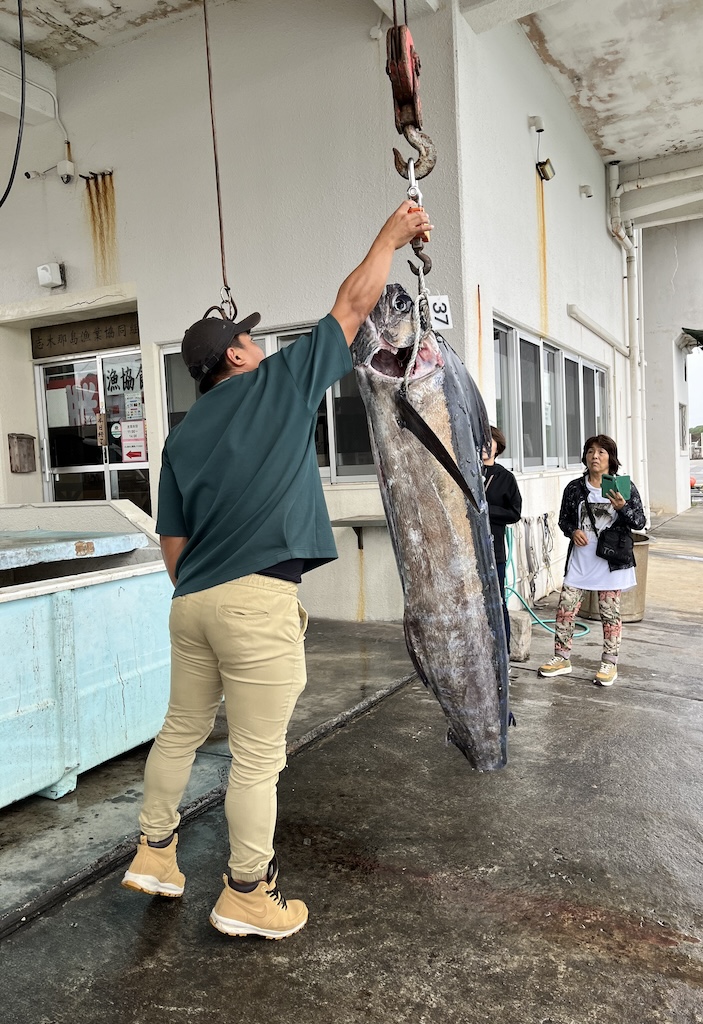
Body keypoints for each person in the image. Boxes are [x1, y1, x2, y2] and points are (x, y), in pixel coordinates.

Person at [121, 201, 433, 940]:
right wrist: (391, 233)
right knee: (258, 758)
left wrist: (203, 588)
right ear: (232, 356)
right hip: (255, 601)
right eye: (247, 339)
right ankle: (246, 894)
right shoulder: (274, 387)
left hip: (191, 602)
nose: (256, 345)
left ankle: (155, 852)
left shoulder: (184, 435)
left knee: (180, 733)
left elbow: (172, 538)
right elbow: (354, 304)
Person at [537, 434, 645, 686]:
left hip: (611, 561)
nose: (595, 456)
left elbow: (639, 522)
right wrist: (572, 531)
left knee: (610, 613)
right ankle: (561, 658)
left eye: (601, 452)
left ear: (611, 458)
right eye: (590, 451)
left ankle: (609, 663)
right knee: (565, 608)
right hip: (581, 559)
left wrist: (621, 507)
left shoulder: (623, 487)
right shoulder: (575, 488)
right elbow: (564, 520)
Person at [482, 426, 522, 652]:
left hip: (494, 550)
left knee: (497, 602)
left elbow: (514, 513)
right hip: (467, 552)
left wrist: (487, 510)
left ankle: (502, 653)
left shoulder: (506, 478)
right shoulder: (467, 472)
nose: (485, 446)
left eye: (489, 441)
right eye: (480, 441)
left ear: (498, 447)